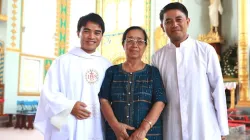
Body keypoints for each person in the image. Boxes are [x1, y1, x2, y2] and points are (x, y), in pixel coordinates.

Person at [152, 2, 229, 140]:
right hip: (172, 127)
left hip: (203, 126)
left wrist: (222, 129)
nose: (174, 24)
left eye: (179, 19)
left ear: (187, 21)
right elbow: (157, 95)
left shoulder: (206, 51)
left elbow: (218, 89)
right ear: (163, 27)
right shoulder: (158, 57)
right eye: (168, 21)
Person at [34, 13, 112, 140]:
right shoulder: (62, 62)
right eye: (86, 31)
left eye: (97, 33)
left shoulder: (107, 65)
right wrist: (70, 106)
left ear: (102, 36)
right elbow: (49, 92)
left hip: (97, 125)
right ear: (78, 33)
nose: (91, 36)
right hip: (70, 122)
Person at [99, 26, 167, 140]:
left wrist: (143, 129)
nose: (135, 45)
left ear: (145, 46)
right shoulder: (112, 71)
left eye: (140, 41)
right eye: (130, 40)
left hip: (148, 135)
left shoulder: (152, 72)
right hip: (117, 135)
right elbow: (103, 99)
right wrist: (115, 126)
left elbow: (160, 101)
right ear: (123, 44)